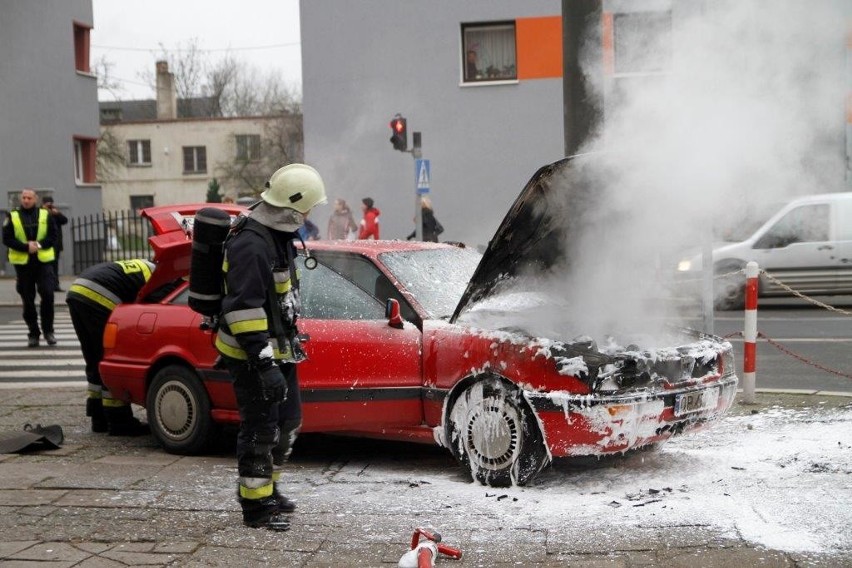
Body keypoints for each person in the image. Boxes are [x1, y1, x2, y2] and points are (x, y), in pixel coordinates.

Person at [214, 163, 327, 531]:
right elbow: (243, 309)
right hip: (251, 353)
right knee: (261, 427)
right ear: (292, 207)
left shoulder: (278, 233)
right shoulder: (251, 243)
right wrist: (263, 364)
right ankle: (256, 506)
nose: (309, 216)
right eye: (308, 208)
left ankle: (271, 489)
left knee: (288, 421)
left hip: (280, 348)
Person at [66, 259, 165, 436]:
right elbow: (157, 309)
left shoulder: (145, 267)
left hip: (77, 292)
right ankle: (119, 421)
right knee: (111, 358)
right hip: (100, 296)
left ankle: (99, 418)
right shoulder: (162, 278)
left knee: (94, 357)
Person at [2, 188, 58, 347]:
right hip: (23, 265)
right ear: (21, 199)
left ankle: (49, 331)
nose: (26, 200)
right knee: (28, 300)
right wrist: (26, 247)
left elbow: (53, 236)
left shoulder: (45, 214)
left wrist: (38, 245)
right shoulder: (12, 216)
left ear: (35, 199)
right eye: (24, 197)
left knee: (47, 294)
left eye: (29, 198)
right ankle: (33, 333)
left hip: (43, 262)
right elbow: (7, 239)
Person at [42, 196, 68, 292]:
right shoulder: (41, 213)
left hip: (55, 245)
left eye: (50, 203)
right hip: (45, 245)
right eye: (47, 203)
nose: (49, 205)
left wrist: (57, 214)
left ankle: (55, 285)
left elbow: (65, 220)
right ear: (43, 204)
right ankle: (46, 286)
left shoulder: (55, 213)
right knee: (45, 267)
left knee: (55, 266)